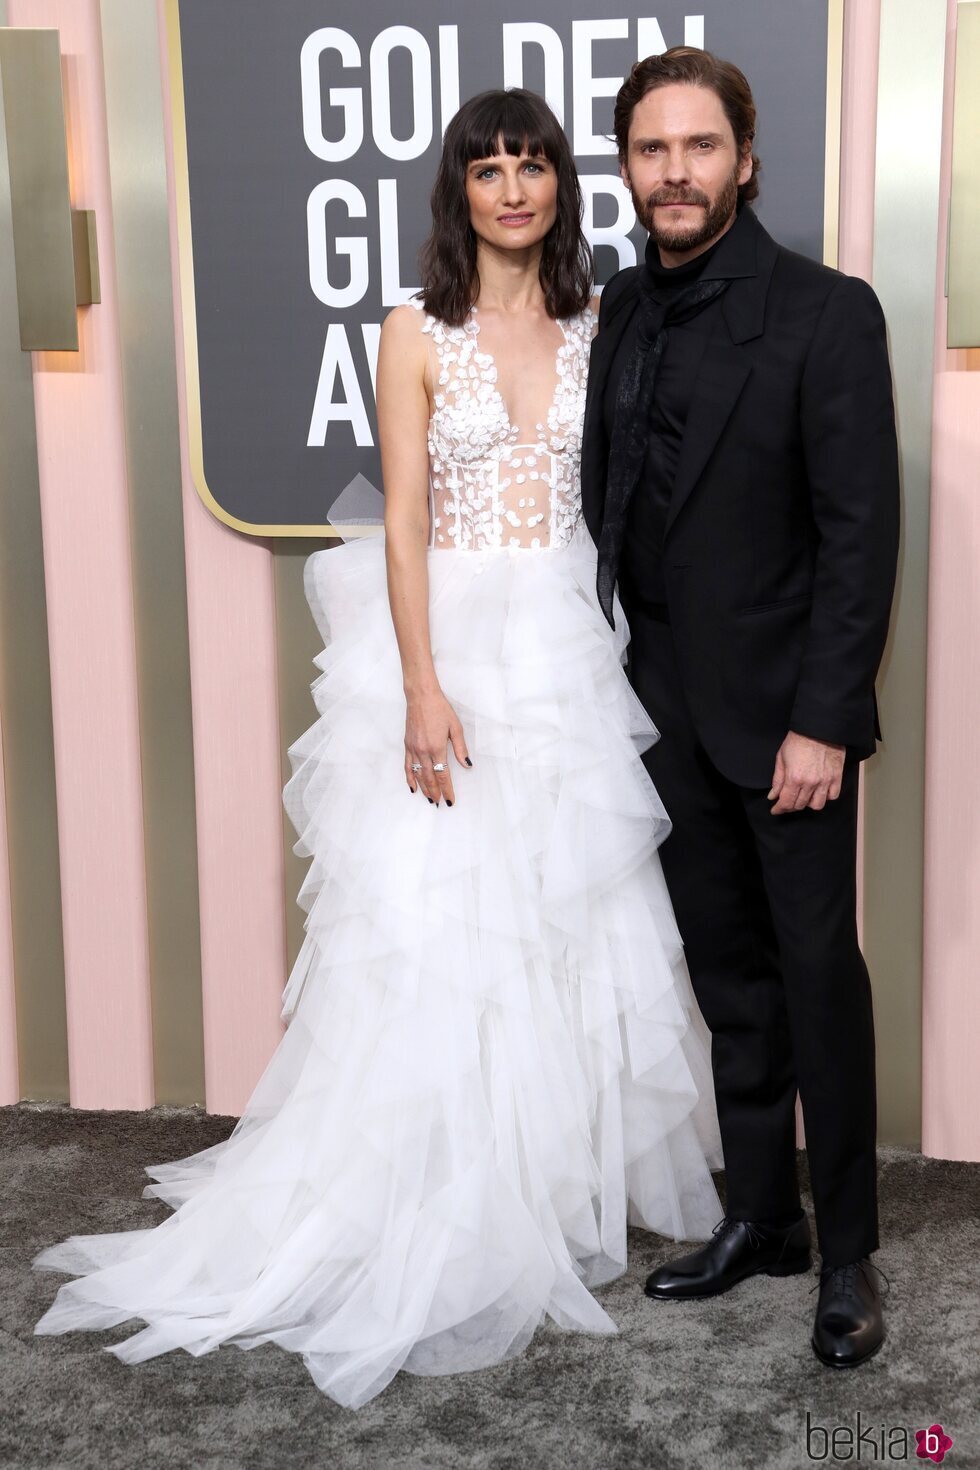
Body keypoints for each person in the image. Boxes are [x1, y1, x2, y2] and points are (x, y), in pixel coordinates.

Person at [32, 87, 725, 1410]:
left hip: (576, 647)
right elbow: (401, 520)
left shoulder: (603, 319)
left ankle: (548, 1184)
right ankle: (440, 1190)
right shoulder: (415, 331)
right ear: (457, 191)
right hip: (455, 647)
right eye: (489, 167)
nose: (514, 186)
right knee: (441, 927)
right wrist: (420, 682)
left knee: (569, 916)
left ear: (562, 185)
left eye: (533, 163)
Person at [580, 47, 900, 1369]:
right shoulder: (621, 308)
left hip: (787, 723)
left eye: (698, 147)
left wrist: (825, 719)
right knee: (731, 981)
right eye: (652, 150)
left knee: (818, 978)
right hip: (657, 714)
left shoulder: (829, 314)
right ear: (630, 168)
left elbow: (858, 533)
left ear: (745, 159)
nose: (674, 171)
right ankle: (762, 1211)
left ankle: (851, 1256)